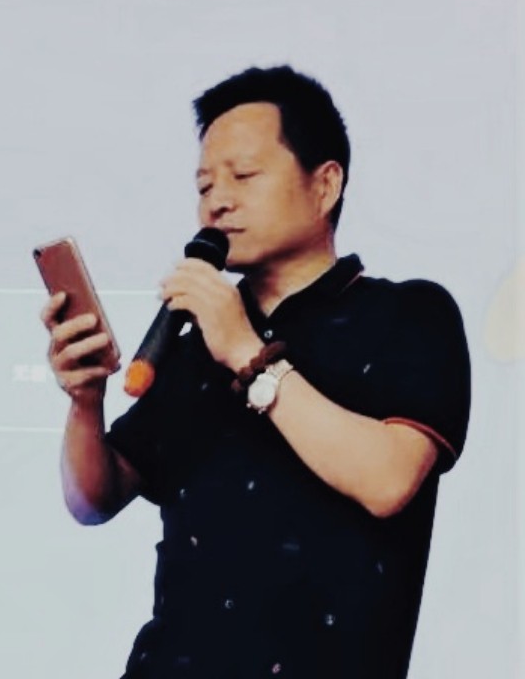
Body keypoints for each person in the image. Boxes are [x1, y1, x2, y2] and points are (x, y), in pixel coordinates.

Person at [41, 65, 470, 679]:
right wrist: (85, 400)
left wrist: (247, 353)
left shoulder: (410, 313)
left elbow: (388, 480)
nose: (217, 201)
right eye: (204, 185)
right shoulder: (194, 343)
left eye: (243, 175)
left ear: (325, 185)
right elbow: (93, 499)